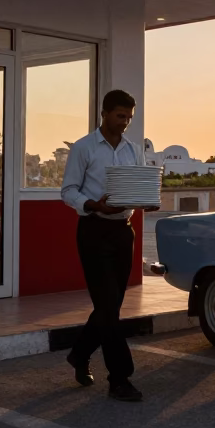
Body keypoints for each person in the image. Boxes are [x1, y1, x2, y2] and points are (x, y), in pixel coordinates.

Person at [61, 89, 158, 402]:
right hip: (94, 230)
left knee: (110, 306)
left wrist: (147, 200)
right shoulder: (84, 148)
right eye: (120, 116)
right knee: (106, 305)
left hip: (123, 233)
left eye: (129, 117)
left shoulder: (133, 150)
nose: (125, 122)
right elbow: (68, 191)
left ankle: (79, 354)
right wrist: (93, 205)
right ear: (104, 114)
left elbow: (137, 187)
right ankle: (120, 378)